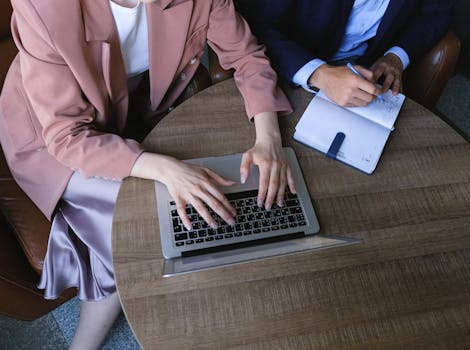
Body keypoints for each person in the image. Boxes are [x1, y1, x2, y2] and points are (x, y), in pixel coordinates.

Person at [0, 0, 294, 348]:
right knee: (145, 225)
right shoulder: (43, 7)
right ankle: (84, 344)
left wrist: (268, 139)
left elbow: (246, 54)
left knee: (190, 213)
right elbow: (66, 137)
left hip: (126, 116)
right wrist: (163, 168)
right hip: (50, 140)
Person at [237, 0, 454, 107]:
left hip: (366, 73)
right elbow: (256, 24)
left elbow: (435, 15)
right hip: (287, 67)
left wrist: (396, 56)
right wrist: (318, 74)